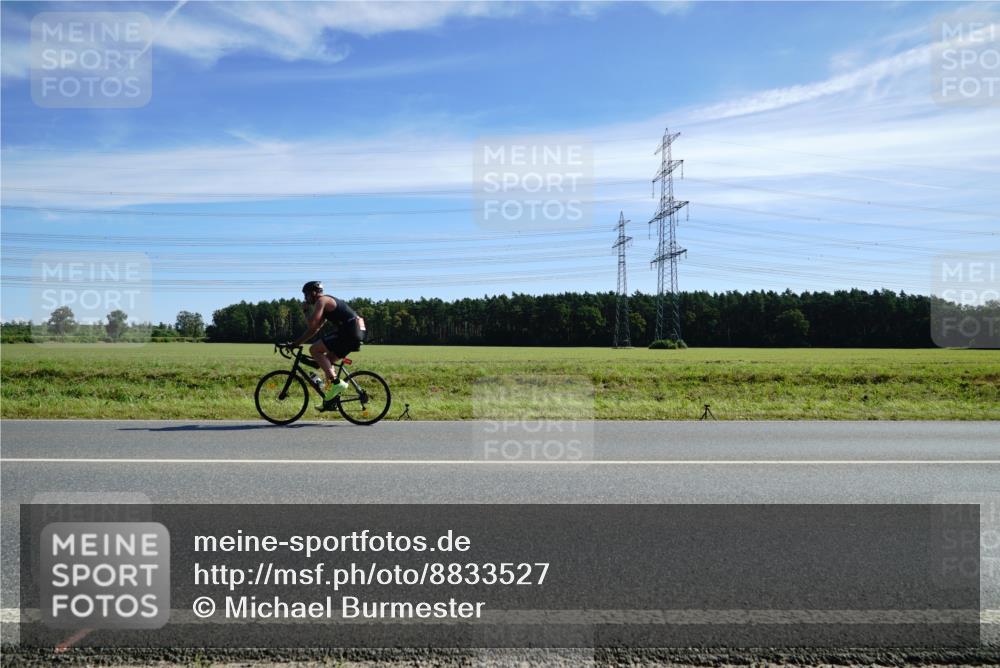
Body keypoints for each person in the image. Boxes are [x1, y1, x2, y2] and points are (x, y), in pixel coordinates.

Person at [285, 281, 366, 407]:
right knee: (327, 362)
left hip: (349, 331)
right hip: (356, 332)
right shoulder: (325, 302)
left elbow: (312, 324)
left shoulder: (321, 301)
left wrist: (306, 311)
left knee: (314, 350)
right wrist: (297, 343)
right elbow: (314, 328)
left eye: (306, 295)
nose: (305, 298)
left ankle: (336, 383)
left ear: (313, 293)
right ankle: (330, 401)